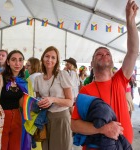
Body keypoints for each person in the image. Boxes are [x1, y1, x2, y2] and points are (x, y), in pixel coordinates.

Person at [71, 1, 139, 150]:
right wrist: (102, 129)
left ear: (112, 61)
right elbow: (74, 124)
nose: (104, 54)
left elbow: (133, 51)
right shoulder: (85, 90)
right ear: (92, 63)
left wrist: (130, 21)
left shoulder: (120, 80)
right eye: (99, 54)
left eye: (107, 53)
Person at [34, 46, 73, 150]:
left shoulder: (62, 75)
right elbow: (38, 99)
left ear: (57, 61)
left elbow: (70, 102)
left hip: (61, 119)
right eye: (47, 56)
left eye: (53, 57)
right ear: (42, 58)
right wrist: (38, 103)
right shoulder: (38, 79)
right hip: (45, 119)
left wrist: (53, 99)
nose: (49, 60)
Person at [0, 50, 26, 150]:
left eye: (20, 60)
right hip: (0, 119)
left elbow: (21, 104)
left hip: (17, 119)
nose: (17, 63)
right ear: (8, 62)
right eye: (13, 60)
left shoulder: (22, 81)